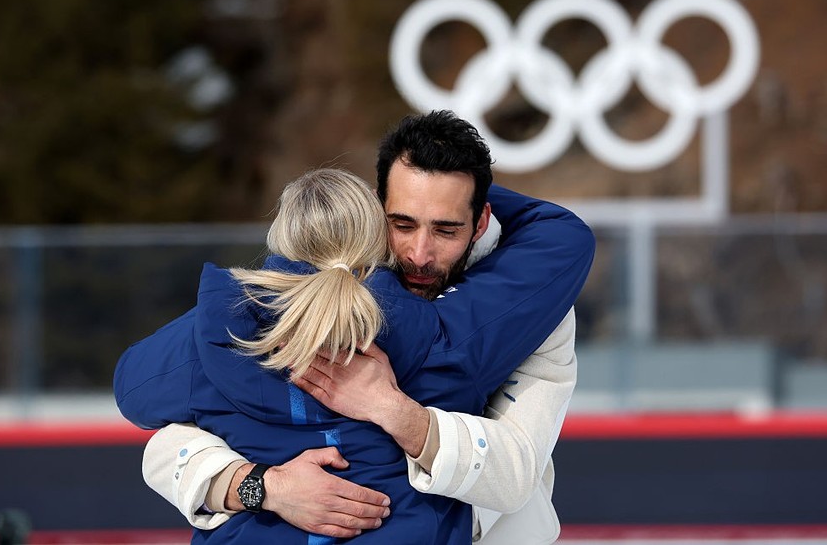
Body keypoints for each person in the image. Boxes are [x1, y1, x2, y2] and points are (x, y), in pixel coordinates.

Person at [118, 111, 594, 542]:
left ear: (481, 219)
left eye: (446, 229)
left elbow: (514, 472)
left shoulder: (534, 305)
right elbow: (165, 448)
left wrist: (392, 409)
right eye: (401, 224)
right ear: (373, 209)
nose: (419, 255)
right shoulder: (302, 305)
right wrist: (265, 485)